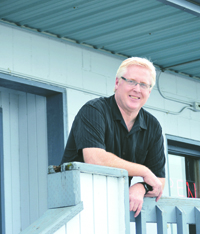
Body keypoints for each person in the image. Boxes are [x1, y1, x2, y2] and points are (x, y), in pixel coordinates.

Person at [61, 57, 166, 217]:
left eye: (144, 85)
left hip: (114, 210)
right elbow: (95, 159)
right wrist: (143, 171)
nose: (137, 89)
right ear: (117, 83)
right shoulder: (93, 111)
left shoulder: (153, 126)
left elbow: (159, 181)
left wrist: (141, 187)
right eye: (131, 81)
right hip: (75, 207)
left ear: (149, 92)